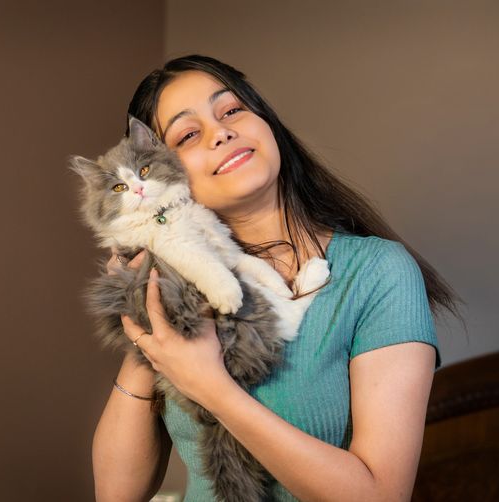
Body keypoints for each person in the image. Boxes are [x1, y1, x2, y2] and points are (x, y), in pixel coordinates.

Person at [91, 54, 460, 501]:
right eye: (188, 134)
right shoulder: (175, 284)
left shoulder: (378, 272)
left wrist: (210, 385)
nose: (220, 132)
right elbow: (116, 492)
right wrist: (145, 315)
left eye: (232, 110)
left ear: (267, 123)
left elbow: (380, 496)